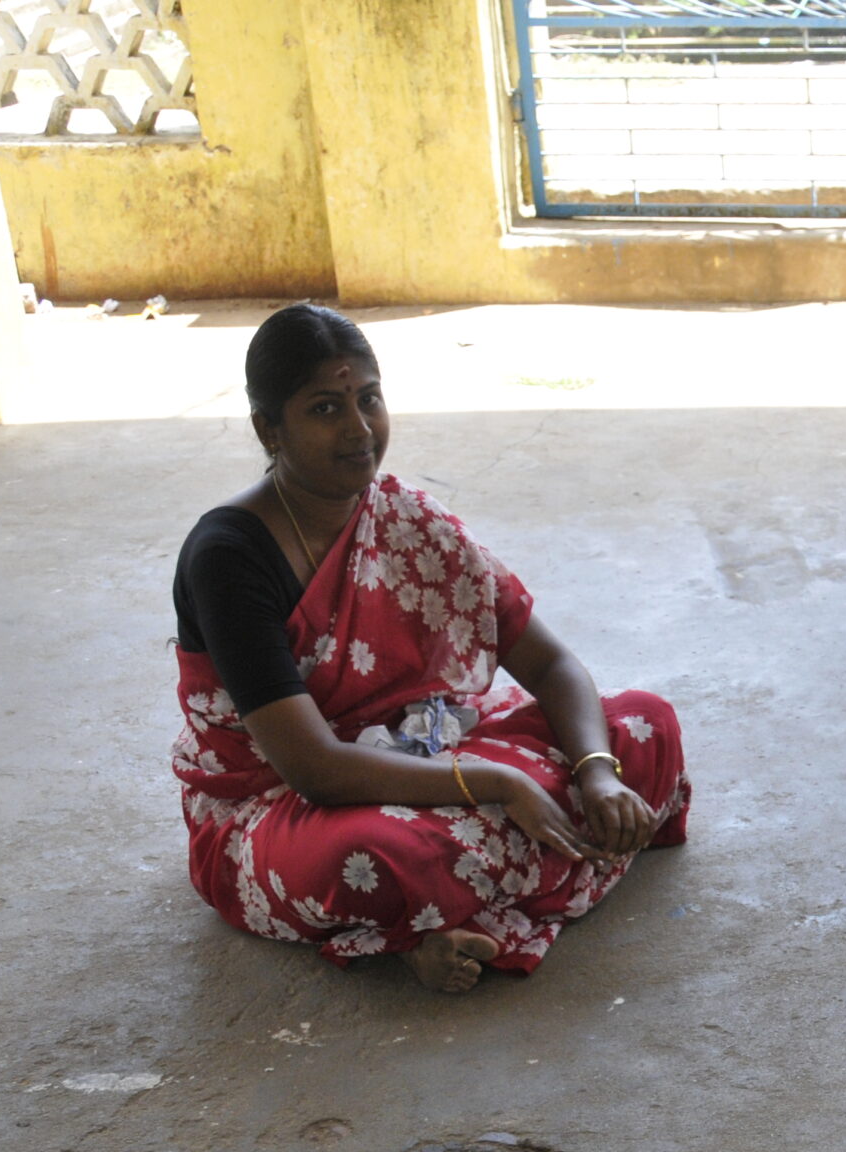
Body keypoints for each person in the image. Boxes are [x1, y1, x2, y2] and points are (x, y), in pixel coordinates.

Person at [171, 303, 689, 992]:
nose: (359, 430)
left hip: (432, 750)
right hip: (291, 804)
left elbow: (551, 663)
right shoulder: (229, 557)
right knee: (375, 857)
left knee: (645, 724)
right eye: (325, 408)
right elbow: (315, 768)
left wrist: (597, 773)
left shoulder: (407, 517)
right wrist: (502, 785)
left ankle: (431, 923)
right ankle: (478, 892)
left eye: (369, 399)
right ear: (270, 429)